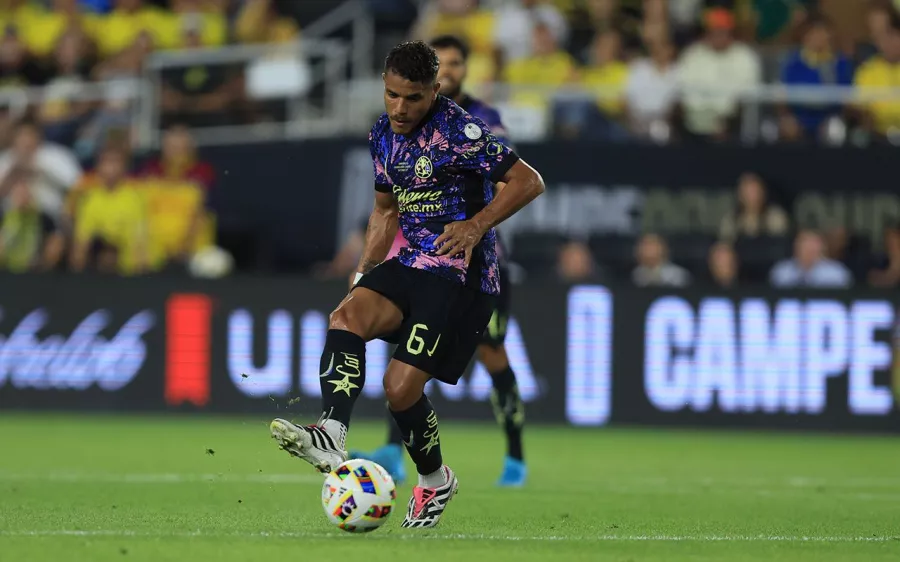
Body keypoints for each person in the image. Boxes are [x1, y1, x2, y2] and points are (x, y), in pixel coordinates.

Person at [268, 40, 545, 529]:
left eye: (412, 98)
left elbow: (528, 180)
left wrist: (476, 225)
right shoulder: (382, 133)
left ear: (434, 91)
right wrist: (360, 276)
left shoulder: (459, 129)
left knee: (399, 390)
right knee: (346, 317)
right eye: (392, 95)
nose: (400, 107)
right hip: (411, 261)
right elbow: (384, 211)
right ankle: (332, 431)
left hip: (461, 276)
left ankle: (435, 481)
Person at [349, 34, 529, 489]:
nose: (447, 71)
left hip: (475, 263)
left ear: (462, 70)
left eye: (454, 64)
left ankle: (515, 455)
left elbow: (512, 180)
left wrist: (475, 226)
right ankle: (393, 449)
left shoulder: (478, 122)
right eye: (441, 63)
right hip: (424, 261)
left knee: (491, 353)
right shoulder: (400, 124)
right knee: (405, 354)